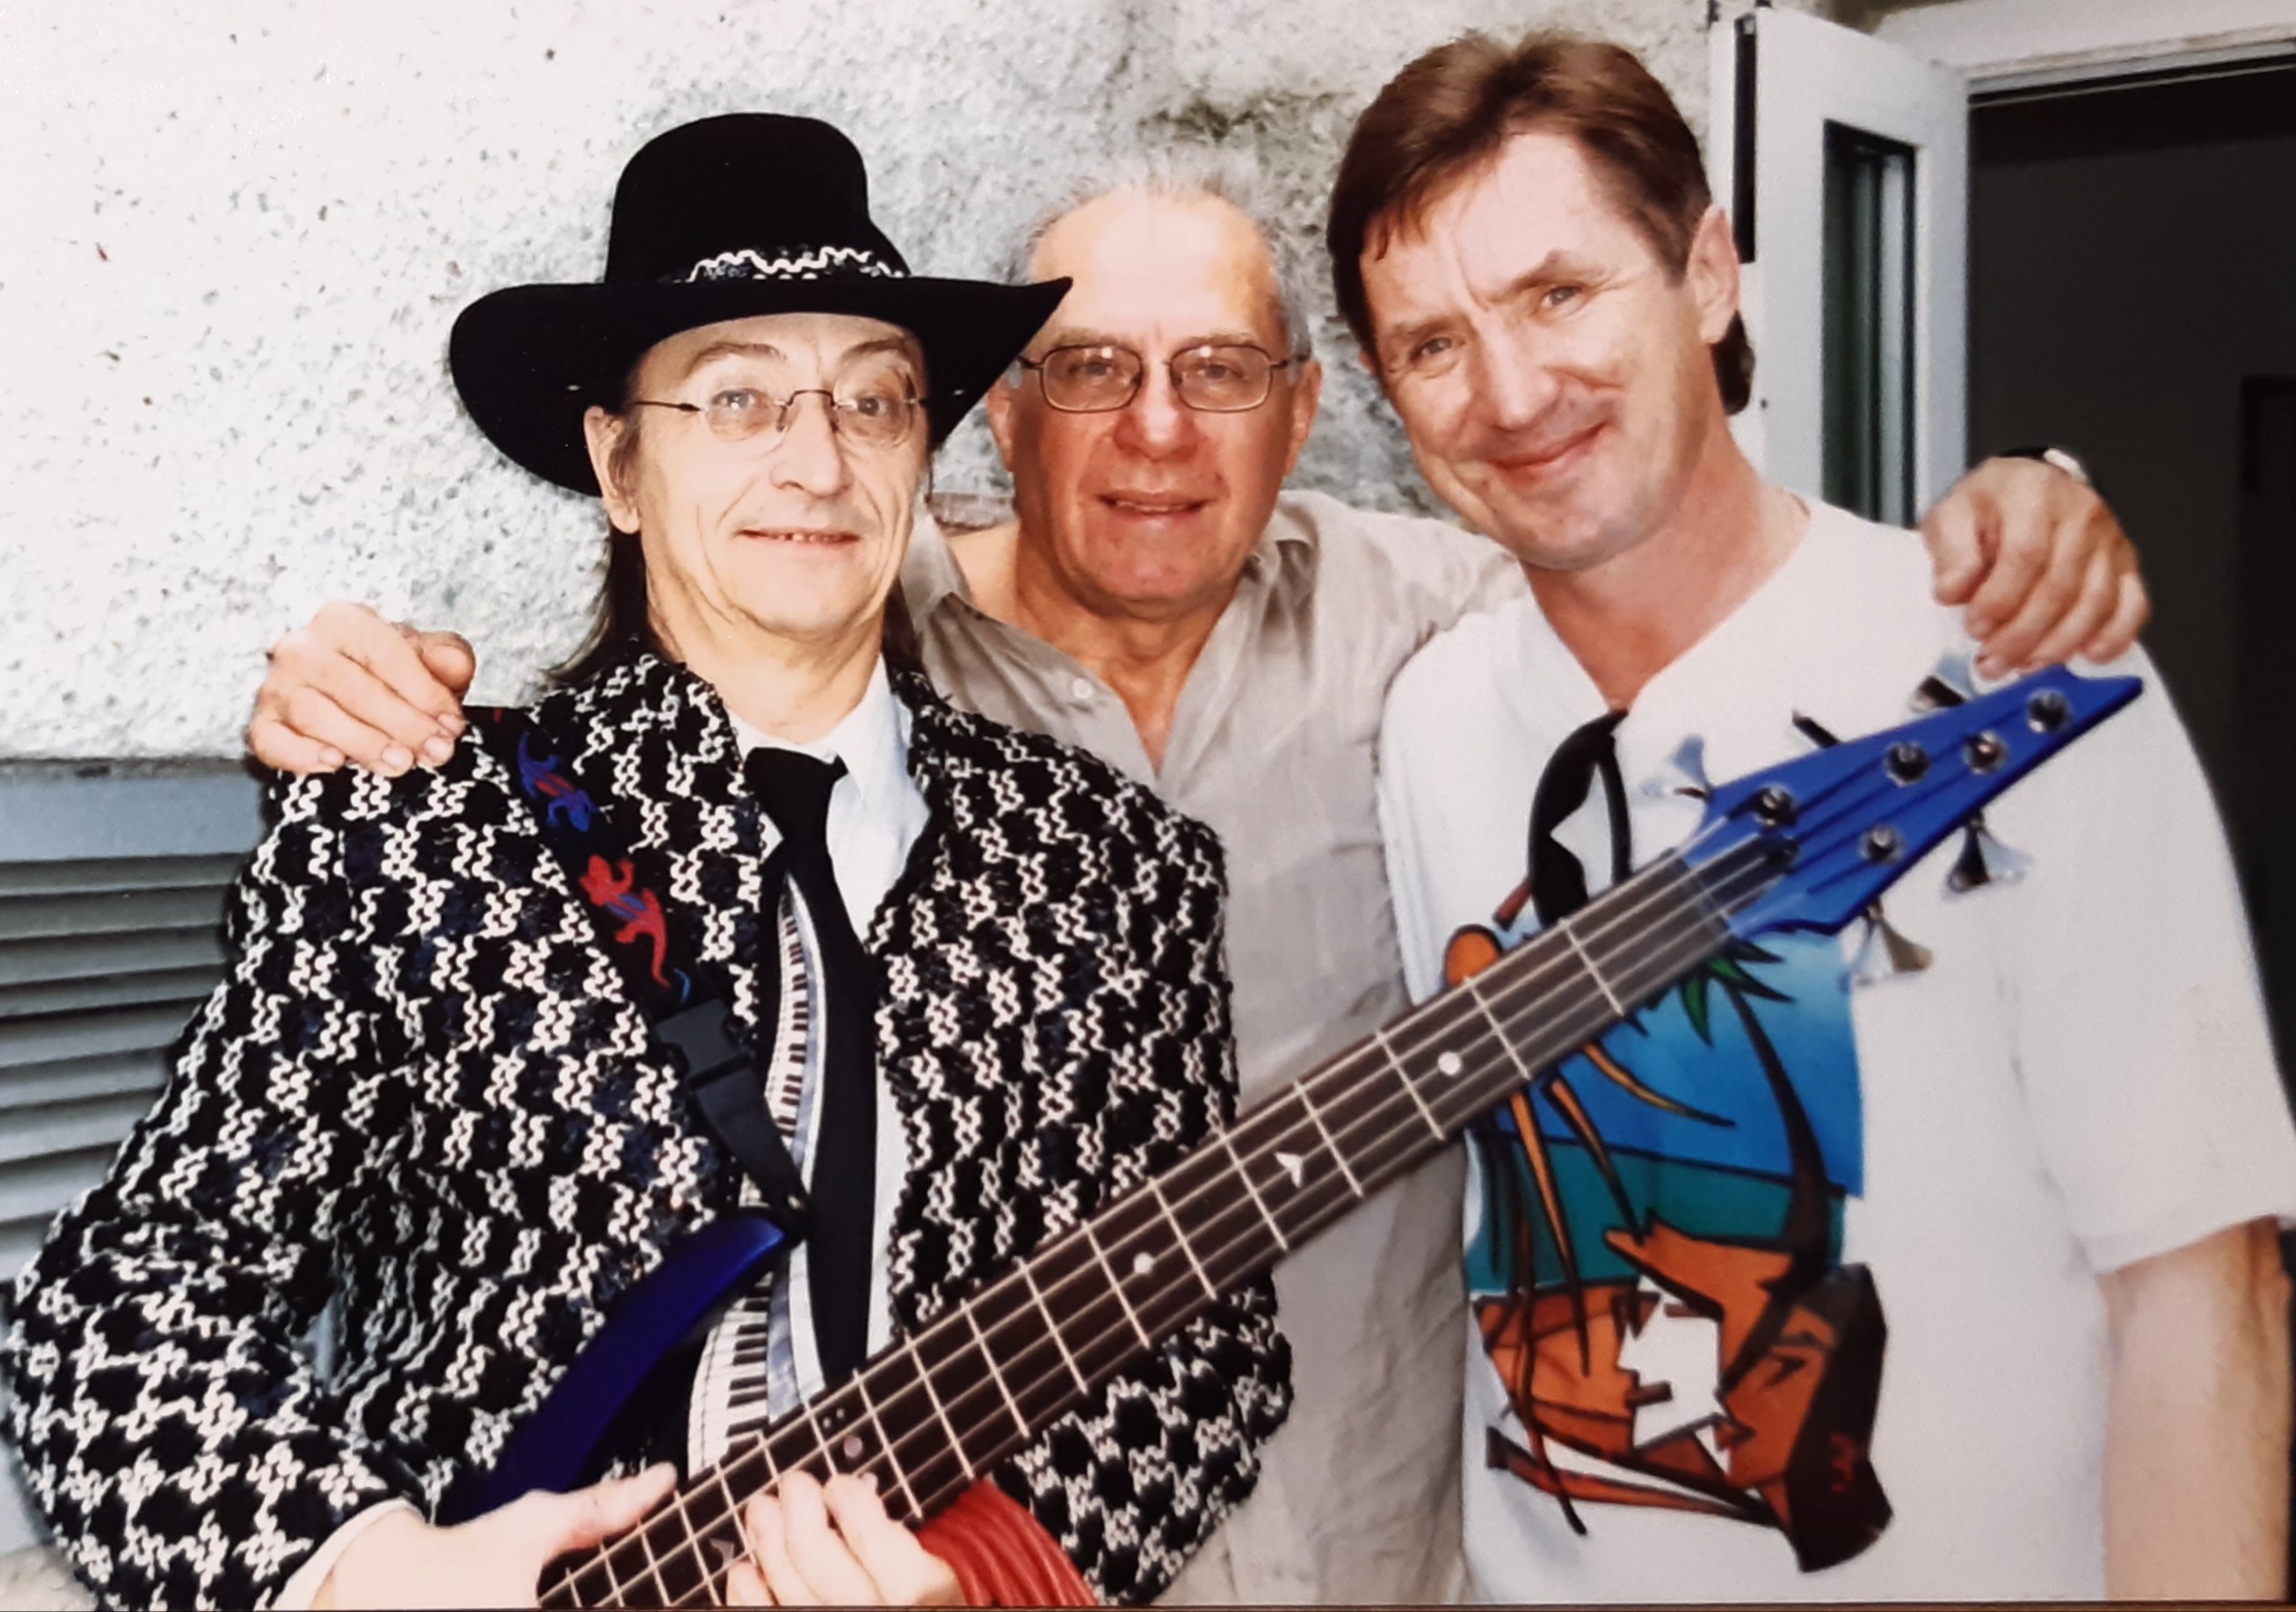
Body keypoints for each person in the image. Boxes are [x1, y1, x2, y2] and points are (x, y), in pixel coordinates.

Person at [242, 152, 2150, 1602]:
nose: (1156, 430)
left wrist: (2017, 514)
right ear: (1005, 421)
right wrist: (350, 1562)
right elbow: (158, 1294)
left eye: (1219, 370)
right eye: (1090, 369)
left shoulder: (1446, 634)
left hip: (1347, 1531)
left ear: (1301, 414)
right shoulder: (696, 677)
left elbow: (1697, 566)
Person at [0, 113, 1292, 1611]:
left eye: (873, 400)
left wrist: (974, 1581)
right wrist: (365, 1569)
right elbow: (124, 1297)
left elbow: (1198, 1349)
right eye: (737, 397)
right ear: (618, 463)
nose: (818, 460)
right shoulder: (421, 826)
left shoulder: (1110, 870)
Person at [1345, 33, 2296, 1600]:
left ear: (1710, 275)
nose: (1510, 393)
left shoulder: (2010, 664)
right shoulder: (1434, 719)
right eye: (1433, 343)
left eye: (1560, 293)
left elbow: (2202, 1288)